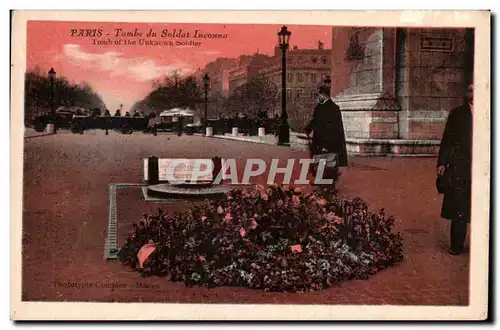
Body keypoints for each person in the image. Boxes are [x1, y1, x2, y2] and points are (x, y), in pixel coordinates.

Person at [437, 84, 473, 255]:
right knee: (460, 206)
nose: (472, 93)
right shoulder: (457, 114)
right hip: (461, 167)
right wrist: (442, 163)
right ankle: (456, 246)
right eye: (470, 90)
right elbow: (447, 140)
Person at [305, 84, 348, 185]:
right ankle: (321, 179)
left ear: (323, 95)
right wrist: (308, 128)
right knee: (319, 159)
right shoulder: (320, 107)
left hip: (328, 140)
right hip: (319, 139)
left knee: (328, 159)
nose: (317, 97)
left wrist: (327, 141)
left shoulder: (333, 108)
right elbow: (314, 120)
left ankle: (329, 180)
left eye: (318, 95)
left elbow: (334, 128)